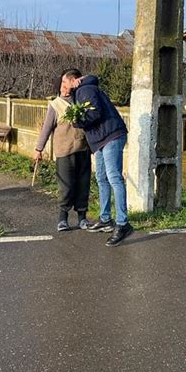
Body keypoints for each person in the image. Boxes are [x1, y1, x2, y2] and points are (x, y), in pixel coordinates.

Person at [61, 70, 134, 247]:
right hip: (101, 140)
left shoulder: (85, 90)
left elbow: (95, 113)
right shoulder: (82, 90)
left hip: (110, 136)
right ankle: (105, 218)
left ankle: (123, 223)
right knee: (101, 178)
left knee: (113, 178)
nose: (62, 86)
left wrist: (77, 122)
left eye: (64, 82)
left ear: (72, 81)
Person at [34, 69, 91, 232]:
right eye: (63, 83)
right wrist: (39, 149)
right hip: (64, 151)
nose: (64, 86)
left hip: (83, 149)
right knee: (66, 186)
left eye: (67, 83)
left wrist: (81, 82)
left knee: (83, 185)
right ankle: (62, 218)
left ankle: (82, 218)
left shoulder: (82, 101)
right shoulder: (55, 105)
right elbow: (46, 128)